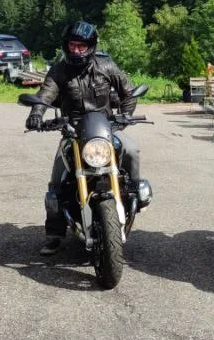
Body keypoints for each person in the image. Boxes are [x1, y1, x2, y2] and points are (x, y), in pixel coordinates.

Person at [25, 21, 147, 256]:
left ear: (90, 46)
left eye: (81, 46)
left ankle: (133, 194)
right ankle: (54, 234)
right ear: (66, 46)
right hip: (73, 131)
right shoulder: (59, 70)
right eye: (73, 45)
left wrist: (125, 116)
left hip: (107, 129)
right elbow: (45, 94)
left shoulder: (107, 66)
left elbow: (128, 93)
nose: (77, 50)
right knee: (57, 181)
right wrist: (36, 114)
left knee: (131, 150)